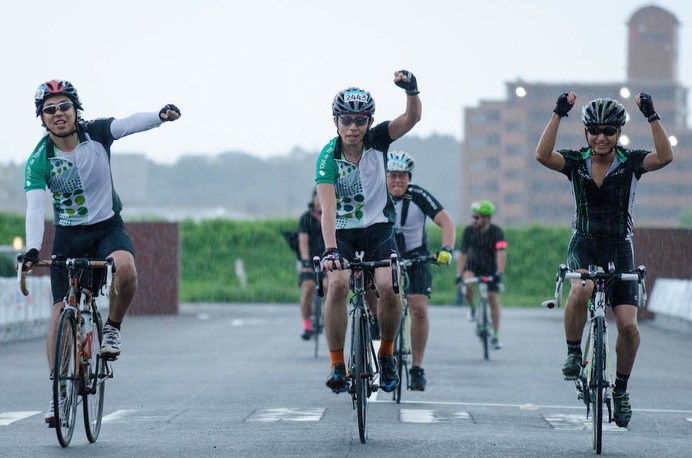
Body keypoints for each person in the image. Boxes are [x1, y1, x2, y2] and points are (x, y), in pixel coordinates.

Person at [20, 79, 181, 426]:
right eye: (50, 110)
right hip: (68, 237)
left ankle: (112, 329)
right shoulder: (39, 160)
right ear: (42, 118)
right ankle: (58, 391)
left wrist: (160, 116)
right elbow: (35, 208)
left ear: (76, 110)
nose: (58, 114)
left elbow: (127, 124)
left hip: (107, 228)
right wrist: (33, 247)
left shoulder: (95, 134)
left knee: (126, 268)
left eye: (64, 106)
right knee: (60, 310)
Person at [535, 92, 673, 427]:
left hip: (619, 247)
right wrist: (559, 112)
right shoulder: (575, 161)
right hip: (583, 242)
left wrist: (652, 114)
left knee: (628, 326)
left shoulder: (631, 162)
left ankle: (621, 390)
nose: (601, 136)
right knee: (580, 289)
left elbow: (665, 157)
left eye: (609, 130)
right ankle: (572, 353)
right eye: (594, 129)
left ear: (619, 133)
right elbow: (542, 155)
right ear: (585, 132)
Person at [316, 70, 422, 394]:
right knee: (336, 285)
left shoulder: (378, 140)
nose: (353, 127)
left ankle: (387, 353)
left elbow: (411, 118)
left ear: (369, 121)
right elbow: (328, 209)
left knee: (389, 286)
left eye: (360, 121)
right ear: (335, 121)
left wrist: (411, 90)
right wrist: (331, 251)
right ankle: (337, 362)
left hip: (378, 228)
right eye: (346, 120)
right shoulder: (328, 157)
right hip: (344, 233)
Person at [384, 150, 455, 391]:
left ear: (409, 178)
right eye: (392, 175)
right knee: (376, 296)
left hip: (416, 255)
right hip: (384, 255)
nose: (397, 181)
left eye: (402, 176)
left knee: (419, 309)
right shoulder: (375, 194)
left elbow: (446, 221)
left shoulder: (418, 195)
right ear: (384, 176)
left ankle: (416, 367)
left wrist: (446, 248)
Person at [456, 200, 507, 349]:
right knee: (467, 283)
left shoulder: (497, 232)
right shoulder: (468, 231)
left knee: (493, 298)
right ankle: (472, 307)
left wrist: (500, 273)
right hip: (472, 266)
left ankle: (496, 336)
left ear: (487, 218)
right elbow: (463, 255)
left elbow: (501, 253)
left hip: (491, 268)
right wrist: (459, 275)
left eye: (477, 217)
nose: (474, 220)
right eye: (473, 217)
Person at [298, 189, 326, 340]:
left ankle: (327, 318)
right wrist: (306, 261)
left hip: (328, 260)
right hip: (311, 261)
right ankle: (307, 325)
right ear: (314, 199)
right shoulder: (306, 218)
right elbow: (303, 242)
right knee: (308, 289)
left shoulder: (333, 215)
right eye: (318, 197)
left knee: (329, 287)